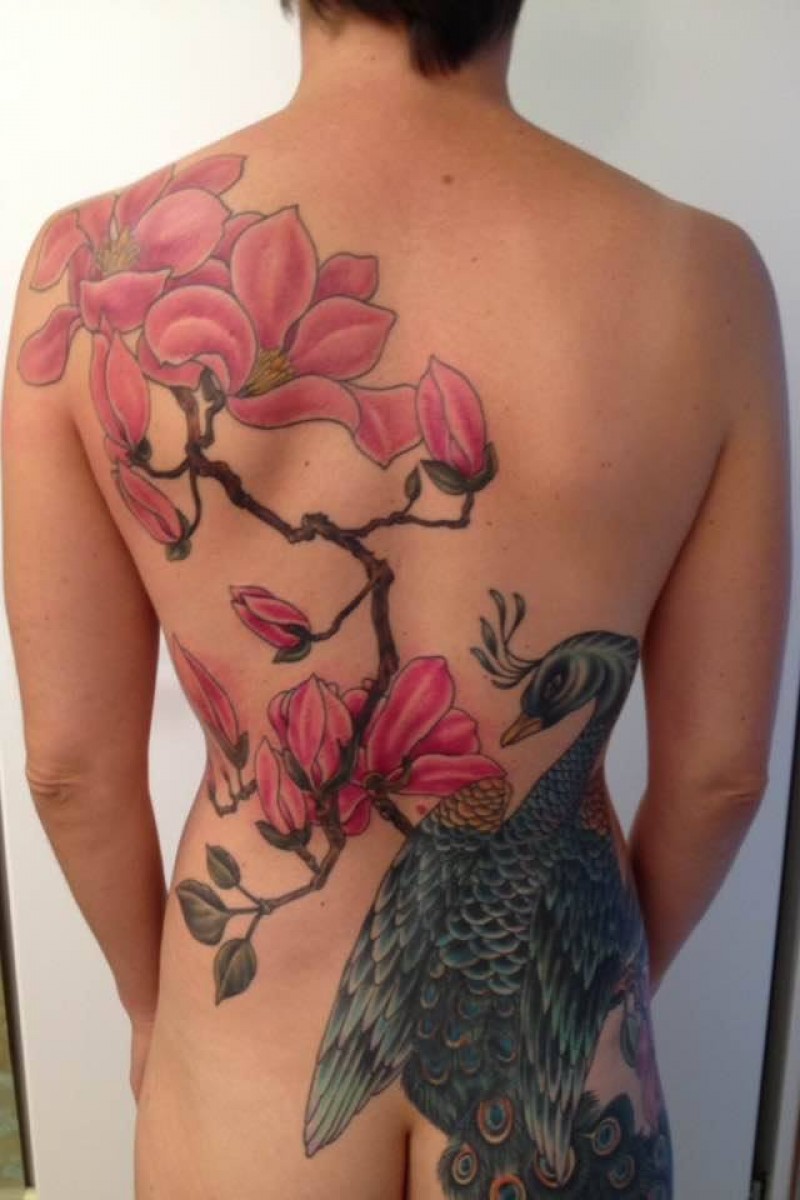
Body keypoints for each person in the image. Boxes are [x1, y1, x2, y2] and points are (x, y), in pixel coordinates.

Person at [1, 1, 791, 1196]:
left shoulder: (85, 276)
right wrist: (607, 975)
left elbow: (70, 767)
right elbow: (719, 776)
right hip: (553, 1079)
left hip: (253, 1063)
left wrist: (152, 1013)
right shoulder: (706, 281)